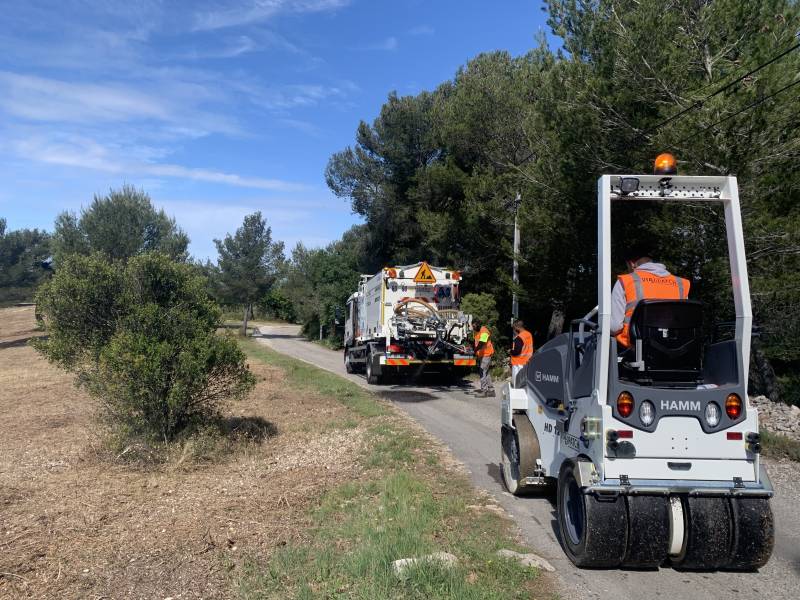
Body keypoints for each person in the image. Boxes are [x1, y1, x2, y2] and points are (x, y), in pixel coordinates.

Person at [611, 244, 691, 350]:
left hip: (634, 351)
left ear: (632, 264)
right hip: (675, 348)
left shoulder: (626, 281)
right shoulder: (681, 284)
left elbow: (614, 327)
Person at [472, 320, 495, 397]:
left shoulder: (484, 331)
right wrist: (474, 351)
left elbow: (482, 342)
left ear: (478, 325)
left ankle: (484, 391)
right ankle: (491, 390)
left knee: (482, 371)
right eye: (472, 326)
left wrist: (475, 350)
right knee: (486, 372)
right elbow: (476, 342)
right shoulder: (476, 331)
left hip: (486, 354)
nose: (473, 327)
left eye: (474, 326)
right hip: (481, 354)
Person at [510, 320, 534, 387]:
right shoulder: (529, 334)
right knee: (524, 384)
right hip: (527, 362)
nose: (514, 329)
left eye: (514, 328)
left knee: (517, 383)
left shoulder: (519, 338)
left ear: (517, 327)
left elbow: (517, 351)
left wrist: (510, 351)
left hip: (518, 363)